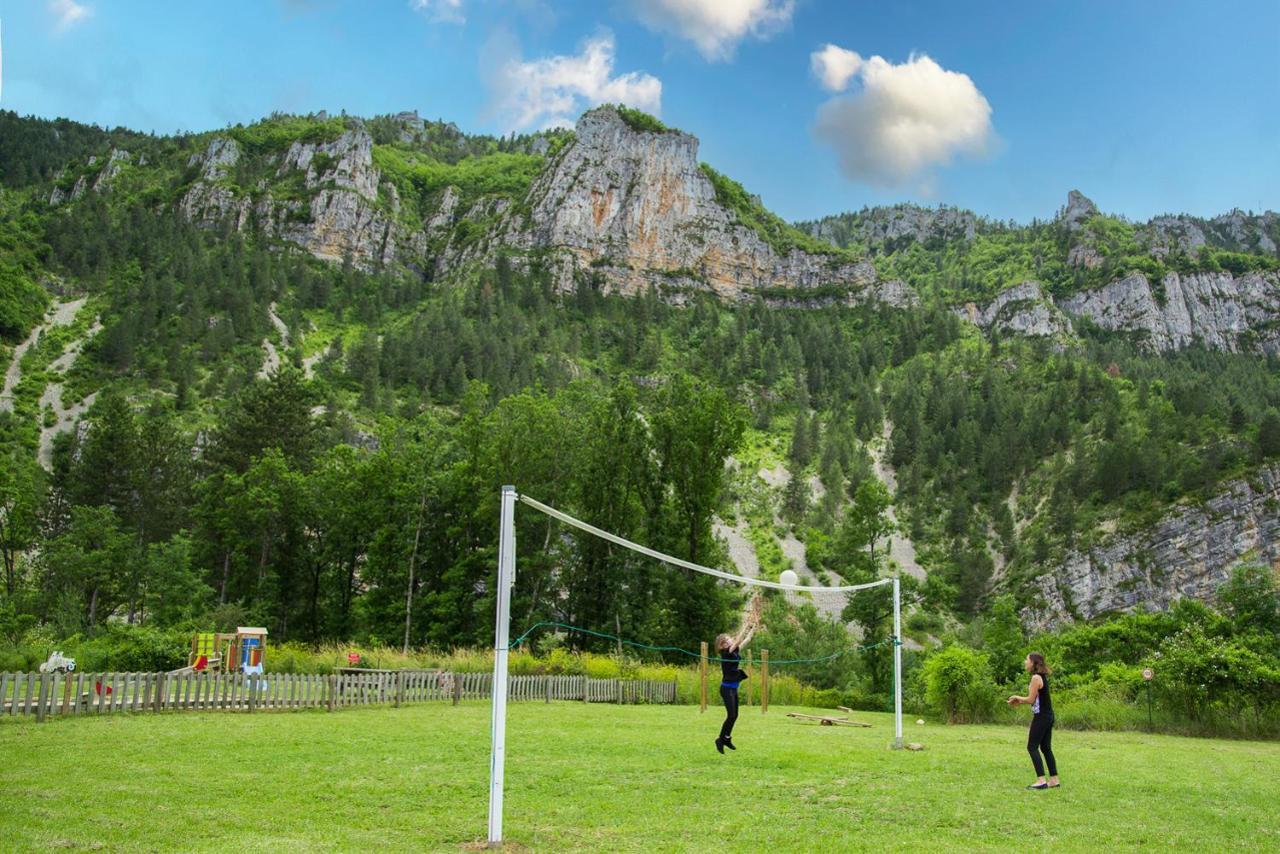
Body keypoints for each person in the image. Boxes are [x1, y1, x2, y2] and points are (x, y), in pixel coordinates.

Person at [714, 594, 762, 754]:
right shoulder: (726, 653)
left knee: (735, 715)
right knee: (731, 715)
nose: (727, 642)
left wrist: (754, 627)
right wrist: (745, 624)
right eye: (724, 642)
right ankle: (720, 739)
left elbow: (745, 640)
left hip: (732, 687)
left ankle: (725, 738)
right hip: (726, 688)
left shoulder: (734, 650)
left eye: (728, 640)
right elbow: (738, 639)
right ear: (721, 646)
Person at [1007, 652, 1059, 790]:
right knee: (1046, 748)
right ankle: (1054, 779)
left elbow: (1030, 699)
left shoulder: (1036, 678)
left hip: (1042, 716)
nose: (1025, 662)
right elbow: (1034, 699)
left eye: (1027, 659)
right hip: (1048, 715)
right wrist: (1020, 700)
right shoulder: (1041, 676)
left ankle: (1041, 780)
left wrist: (1018, 698)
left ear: (1033, 662)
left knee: (1032, 747)